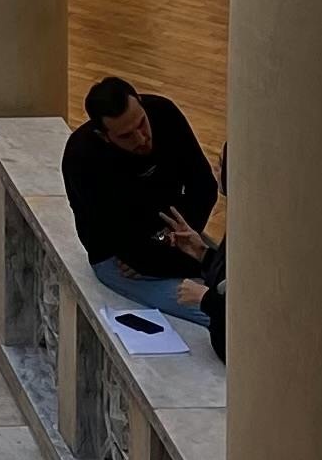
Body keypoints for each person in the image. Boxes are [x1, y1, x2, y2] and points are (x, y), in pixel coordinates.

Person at [61, 76, 220, 319]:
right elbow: (129, 248)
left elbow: (204, 186)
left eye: (142, 124)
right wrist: (195, 259)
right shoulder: (82, 158)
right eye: (126, 136)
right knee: (214, 314)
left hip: (173, 236)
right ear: (104, 136)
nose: (142, 139)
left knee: (232, 287)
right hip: (120, 260)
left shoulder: (164, 112)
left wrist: (183, 243)